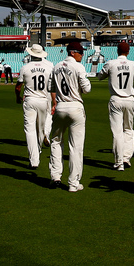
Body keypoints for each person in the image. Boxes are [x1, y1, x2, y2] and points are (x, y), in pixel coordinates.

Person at [48, 40, 92, 192]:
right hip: (75, 107)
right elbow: (87, 90)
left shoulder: (56, 66)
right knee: (76, 147)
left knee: (55, 141)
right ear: (72, 52)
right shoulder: (78, 66)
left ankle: (55, 176)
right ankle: (73, 183)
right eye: (80, 52)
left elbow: (51, 88)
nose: (82, 55)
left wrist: (55, 103)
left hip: (60, 107)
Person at [97, 41, 134, 171]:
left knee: (117, 132)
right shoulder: (133, 64)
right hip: (129, 99)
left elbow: (100, 76)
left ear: (117, 51)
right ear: (128, 52)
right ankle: (126, 158)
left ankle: (118, 163)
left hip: (116, 99)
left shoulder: (111, 63)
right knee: (128, 129)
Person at [15, 43, 54, 169]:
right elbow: (52, 87)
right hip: (43, 99)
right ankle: (39, 151)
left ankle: (34, 160)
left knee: (30, 130)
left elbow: (18, 86)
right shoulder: (49, 68)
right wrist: (54, 101)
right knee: (40, 130)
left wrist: (17, 97)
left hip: (30, 100)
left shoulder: (25, 67)